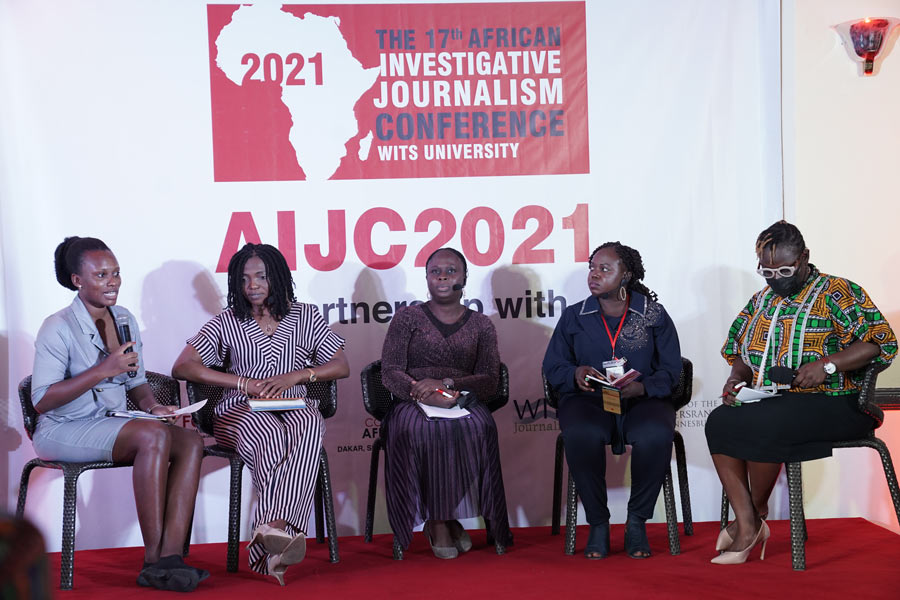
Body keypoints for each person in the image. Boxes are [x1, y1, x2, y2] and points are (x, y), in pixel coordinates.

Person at [706, 221, 897, 564]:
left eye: (784, 269)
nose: (776, 278)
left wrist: (828, 364)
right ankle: (749, 519)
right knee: (719, 421)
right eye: (767, 271)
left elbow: (880, 342)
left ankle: (752, 517)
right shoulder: (762, 300)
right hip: (777, 401)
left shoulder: (837, 291)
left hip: (838, 402)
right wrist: (736, 377)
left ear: (804, 257)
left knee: (768, 422)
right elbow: (737, 350)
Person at [32, 236, 206, 592]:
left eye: (116, 273)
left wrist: (154, 406)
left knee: (188, 440)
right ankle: (154, 560)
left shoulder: (124, 318)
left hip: (109, 422)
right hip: (62, 428)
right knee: (152, 436)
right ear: (77, 280)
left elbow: (137, 382)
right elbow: (42, 401)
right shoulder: (57, 326)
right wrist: (101, 370)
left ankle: (171, 555)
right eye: (101, 275)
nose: (112, 281)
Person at [172, 243, 348, 585]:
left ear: (278, 278)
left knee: (310, 422)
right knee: (269, 434)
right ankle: (281, 532)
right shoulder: (227, 321)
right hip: (238, 411)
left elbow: (341, 365)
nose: (252, 284)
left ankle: (272, 530)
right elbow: (183, 366)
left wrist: (298, 375)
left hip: (293, 404)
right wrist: (241, 382)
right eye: (244, 278)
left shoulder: (306, 315)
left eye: (261, 276)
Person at [543, 242, 682, 559]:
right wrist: (576, 373)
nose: (594, 274)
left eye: (605, 269)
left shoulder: (652, 314)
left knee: (655, 434)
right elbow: (553, 366)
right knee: (581, 433)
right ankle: (598, 522)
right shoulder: (574, 316)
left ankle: (636, 522)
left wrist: (644, 388)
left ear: (626, 275)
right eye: (592, 268)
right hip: (589, 398)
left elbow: (672, 369)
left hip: (641, 399)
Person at [380, 247, 513, 558]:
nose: (441, 276)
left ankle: (453, 518)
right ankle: (439, 522)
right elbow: (389, 371)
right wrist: (418, 390)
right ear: (426, 278)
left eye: (450, 271)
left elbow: (489, 378)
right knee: (420, 430)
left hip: (460, 399)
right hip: (413, 401)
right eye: (434, 271)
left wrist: (447, 386)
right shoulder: (407, 318)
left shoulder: (481, 325)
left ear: (464, 277)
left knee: (479, 427)